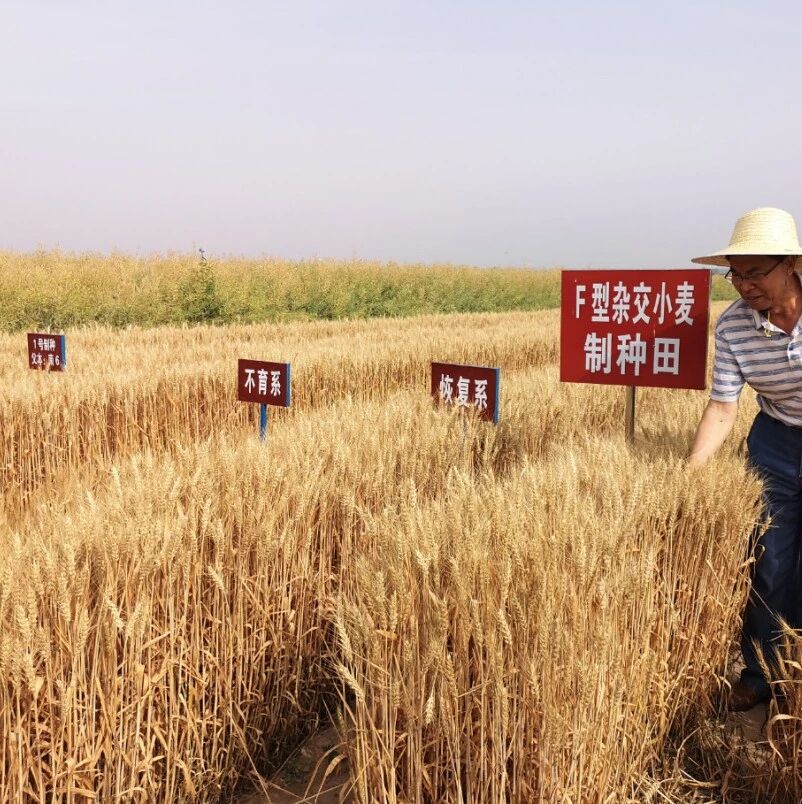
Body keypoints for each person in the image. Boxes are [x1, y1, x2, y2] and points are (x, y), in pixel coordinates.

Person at [688, 206, 802, 711]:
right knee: (770, 561)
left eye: (757, 273)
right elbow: (723, 406)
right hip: (776, 441)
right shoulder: (733, 327)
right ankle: (759, 675)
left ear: (791, 265)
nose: (745, 285)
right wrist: (689, 475)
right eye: (736, 273)